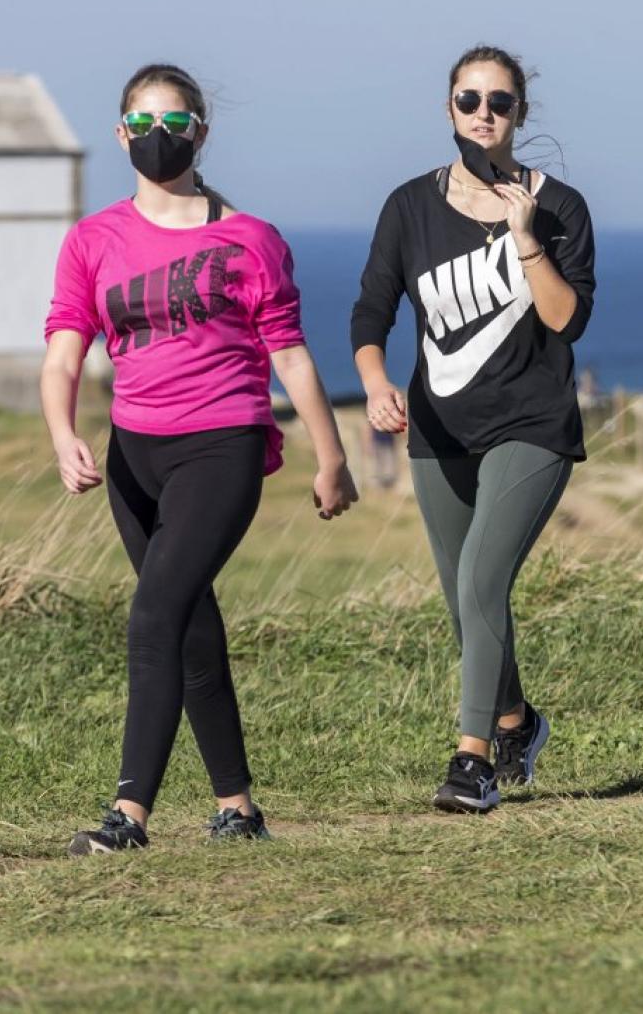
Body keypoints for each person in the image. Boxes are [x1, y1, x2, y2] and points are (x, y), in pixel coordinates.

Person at [42, 63, 357, 852]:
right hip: (131, 455)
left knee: (154, 613)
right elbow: (62, 351)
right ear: (121, 135)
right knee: (189, 625)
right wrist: (61, 431)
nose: (159, 139)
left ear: (201, 134)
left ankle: (129, 817)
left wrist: (331, 457)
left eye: (174, 125)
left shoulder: (250, 240)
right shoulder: (93, 240)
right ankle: (238, 808)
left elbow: (290, 355)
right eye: (143, 126)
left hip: (223, 445)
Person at [352, 45, 595, 813]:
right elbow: (372, 310)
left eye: (499, 102)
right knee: (464, 600)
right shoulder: (408, 206)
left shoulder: (561, 207)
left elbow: (565, 319)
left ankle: (473, 762)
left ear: (520, 113)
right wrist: (374, 382)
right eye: (468, 100)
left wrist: (526, 238)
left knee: (484, 581)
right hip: (438, 427)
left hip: (531, 423)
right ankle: (519, 722)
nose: (483, 114)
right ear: (448, 107)